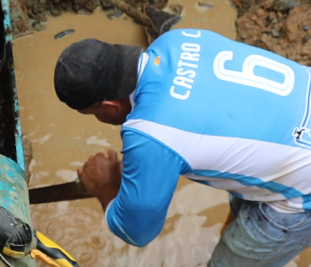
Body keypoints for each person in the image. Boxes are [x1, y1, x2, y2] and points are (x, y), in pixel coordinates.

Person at [53, 28, 311, 266]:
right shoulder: (176, 40)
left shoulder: (149, 135)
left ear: (110, 105)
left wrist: (104, 188)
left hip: (302, 193)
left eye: (93, 113)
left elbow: (138, 231)